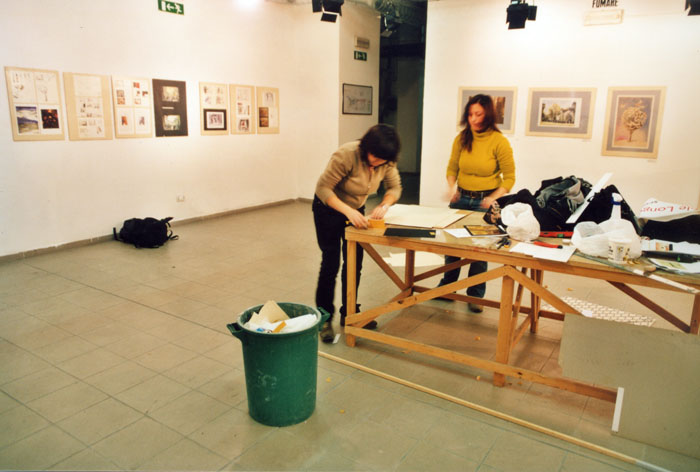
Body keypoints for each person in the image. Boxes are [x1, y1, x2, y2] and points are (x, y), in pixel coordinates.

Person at [313, 124, 402, 343]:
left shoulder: (386, 161)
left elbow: (394, 188)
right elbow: (323, 188)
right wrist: (348, 211)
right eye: (375, 158)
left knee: (354, 264)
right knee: (331, 263)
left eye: (382, 161)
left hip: (356, 210)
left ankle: (350, 313)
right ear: (366, 147)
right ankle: (324, 318)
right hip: (329, 209)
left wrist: (385, 204)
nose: (377, 163)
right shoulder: (346, 154)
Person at [438, 94, 515, 312]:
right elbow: (452, 168)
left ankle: (475, 295)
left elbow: (509, 178)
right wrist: (452, 187)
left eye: (478, 114)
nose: (473, 119)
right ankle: (447, 288)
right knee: (452, 246)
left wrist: (494, 197)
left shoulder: (499, 142)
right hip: (461, 197)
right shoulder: (462, 138)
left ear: (488, 114)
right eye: (470, 114)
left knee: (479, 250)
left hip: (485, 200)